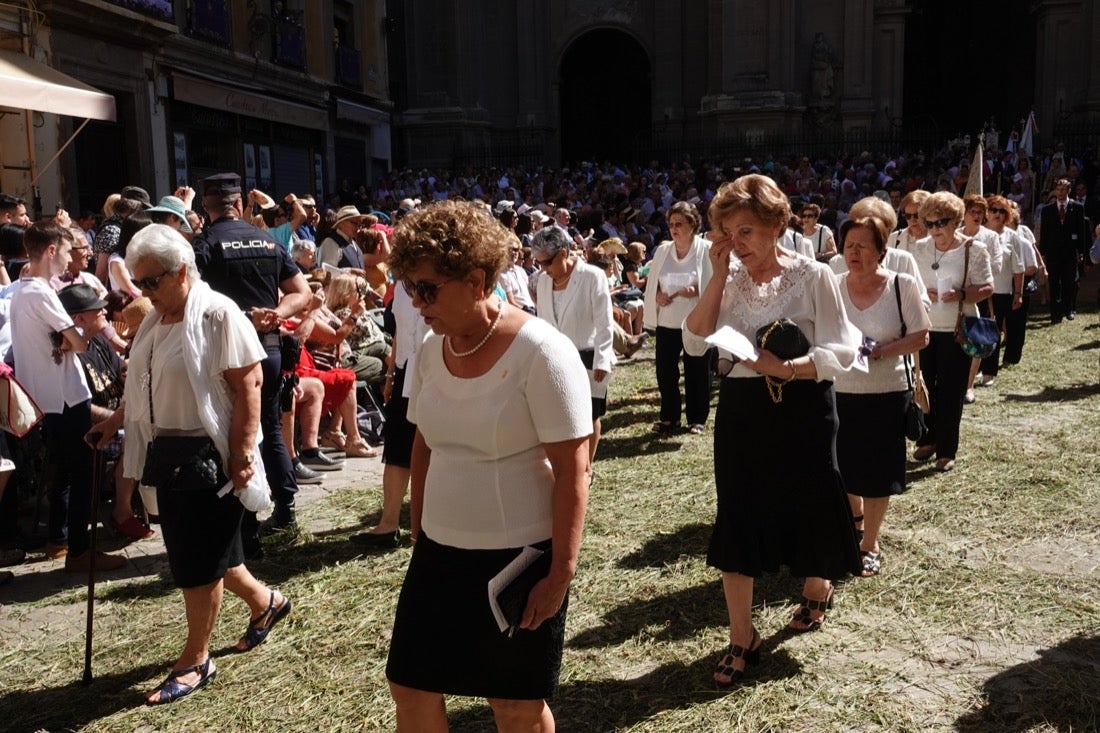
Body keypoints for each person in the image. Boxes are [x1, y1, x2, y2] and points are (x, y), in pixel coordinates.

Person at [385, 200, 591, 731]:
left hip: (517, 558)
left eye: (427, 289)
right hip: (439, 550)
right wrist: (418, 525)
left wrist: (561, 572)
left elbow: (574, 468)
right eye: (409, 288)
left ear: (477, 280)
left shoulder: (542, 352)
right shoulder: (431, 350)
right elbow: (425, 440)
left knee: (515, 703)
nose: (415, 301)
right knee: (410, 685)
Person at [90, 224, 291, 705]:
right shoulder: (158, 322)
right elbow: (147, 386)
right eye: (138, 283)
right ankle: (268, 602)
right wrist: (116, 420)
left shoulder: (219, 314)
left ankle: (196, 659)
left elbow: (249, 387)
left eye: (152, 281)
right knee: (212, 554)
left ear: (182, 271)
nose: (144, 292)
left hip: (211, 457)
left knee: (195, 562)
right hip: (168, 456)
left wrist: (242, 454)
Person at [682, 174, 862, 685]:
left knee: (809, 500)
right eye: (727, 233)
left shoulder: (813, 275)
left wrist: (788, 367)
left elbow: (844, 351)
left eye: (745, 232)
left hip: (803, 405)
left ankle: (818, 583)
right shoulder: (728, 275)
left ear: (777, 225)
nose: (735, 244)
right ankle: (743, 636)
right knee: (738, 510)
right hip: (742, 410)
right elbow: (695, 342)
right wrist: (717, 277)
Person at [191, 172, 311, 542]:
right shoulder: (266, 240)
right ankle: (286, 508)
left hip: (228, 354)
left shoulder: (204, 245)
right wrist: (279, 314)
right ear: (240, 204)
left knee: (234, 434)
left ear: (205, 208)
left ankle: (245, 525)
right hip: (270, 348)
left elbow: (192, 301)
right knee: (271, 429)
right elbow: (301, 292)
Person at [10, 222, 127, 571]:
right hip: (64, 397)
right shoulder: (41, 292)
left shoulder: (22, 290)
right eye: (65, 251)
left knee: (65, 472)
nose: (69, 258)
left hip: (50, 397)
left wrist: (67, 340)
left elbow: (66, 340)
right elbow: (78, 341)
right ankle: (78, 551)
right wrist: (74, 338)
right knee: (84, 472)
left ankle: (60, 540)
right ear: (50, 251)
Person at [833, 216, 930, 577]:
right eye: (848, 246)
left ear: (880, 251)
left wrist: (880, 352)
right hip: (839, 392)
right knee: (842, 467)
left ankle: (870, 543)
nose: (853, 253)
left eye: (862, 246)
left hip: (886, 393)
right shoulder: (833, 286)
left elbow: (921, 335)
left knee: (877, 471)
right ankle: (854, 518)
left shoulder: (900, 285)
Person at [58, 283, 151, 540]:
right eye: (97, 309)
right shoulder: (67, 356)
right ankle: (121, 512)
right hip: (93, 428)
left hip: (119, 414)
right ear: (79, 319)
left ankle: (154, 504)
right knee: (136, 434)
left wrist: (134, 366)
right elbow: (78, 408)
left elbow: (118, 371)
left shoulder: (98, 340)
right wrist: (117, 420)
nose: (104, 313)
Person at [910, 192, 994, 471]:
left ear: (956, 220)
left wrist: (960, 294)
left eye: (941, 222)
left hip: (957, 329)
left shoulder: (973, 249)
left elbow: (987, 287)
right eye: (930, 223)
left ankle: (947, 449)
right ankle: (929, 439)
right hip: (925, 327)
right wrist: (922, 293)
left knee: (951, 390)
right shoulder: (919, 248)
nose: (935, 229)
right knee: (924, 386)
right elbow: (910, 283)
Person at [531, 225, 615, 467]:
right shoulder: (543, 282)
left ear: (564, 254)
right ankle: (565, 465)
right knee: (560, 415)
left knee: (589, 414)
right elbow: (543, 322)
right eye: (539, 263)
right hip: (556, 358)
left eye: (546, 262)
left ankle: (586, 468)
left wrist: (602, 359)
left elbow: (604, 321)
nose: (543, 269)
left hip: (588, 355)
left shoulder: (592, 276)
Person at [643, 201, 713, 435]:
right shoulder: (663, 251)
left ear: (693, 225)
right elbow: (652, 284)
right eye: (671, 224)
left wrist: (697, 291)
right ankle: (669, 417)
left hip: (695, 321)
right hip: (668, 321)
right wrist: (658, 296)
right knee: (665, 371)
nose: (674, 228)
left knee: (696, 369)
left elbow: (715, 284)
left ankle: (697, 418)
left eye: (679, 224)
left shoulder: (705, 249)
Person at [1039, 178, 1089, 323]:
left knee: (1069, 283)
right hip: (1053, 253)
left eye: (1063, 190)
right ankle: (1055, 313)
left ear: (1069, 191)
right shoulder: (1047, 210)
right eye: (1058, 189)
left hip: (1070, 252)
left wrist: (1081, 252)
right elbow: (1044, 233)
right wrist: (1043, 253)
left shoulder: (1077, 207)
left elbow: (1081, 232)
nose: (1060, 192)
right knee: (1054, 283)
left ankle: (1068, 309)